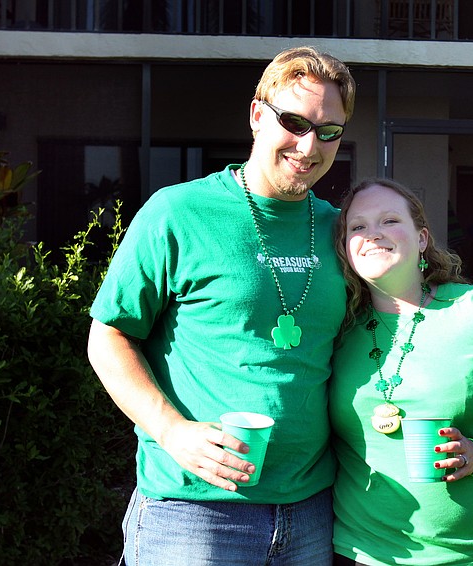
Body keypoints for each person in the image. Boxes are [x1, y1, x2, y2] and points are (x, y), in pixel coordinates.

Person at [87, 46, 355, 565]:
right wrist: (171, 431)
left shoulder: (341, 229)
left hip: (313, 509)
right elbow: (108, 337)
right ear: (258, 115)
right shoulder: (178, 211)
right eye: (295, 122)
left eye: (328, 131)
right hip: (192, 510)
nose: (309, 145)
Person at [330, 178, 473, 566]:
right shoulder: (337, 325)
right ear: (346, 248)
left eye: (389, 221)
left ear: (422, 238)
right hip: (366, 551)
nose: (372, 234)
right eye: (357, 227)